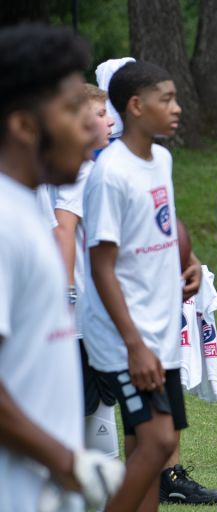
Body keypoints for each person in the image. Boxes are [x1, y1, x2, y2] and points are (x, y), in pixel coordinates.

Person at [0, 25, 124, 512]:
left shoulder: (30, 210)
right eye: (74, 111)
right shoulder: (6, 223)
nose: (94, 128)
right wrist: (70, 463)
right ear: (25, 126)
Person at [81, 61, 202, 512]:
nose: (177, 108)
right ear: (135, 106)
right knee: (158, 443)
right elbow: (102, 267)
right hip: (125, 337)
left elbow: (164, 223)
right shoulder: (110, 173)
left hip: (161, 328)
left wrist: (187, 261)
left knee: (143, 447)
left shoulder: (162, 159)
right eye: (166, 99)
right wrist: (134, 346)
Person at [39, 84, 119, 461]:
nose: (110, 121)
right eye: (101, 114)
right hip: (81, 316)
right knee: (89, 402)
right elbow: (63, 226)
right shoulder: (85, 171)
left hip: (77, 313)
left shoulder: (56, 168)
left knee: (93, 402)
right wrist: (67, 290)